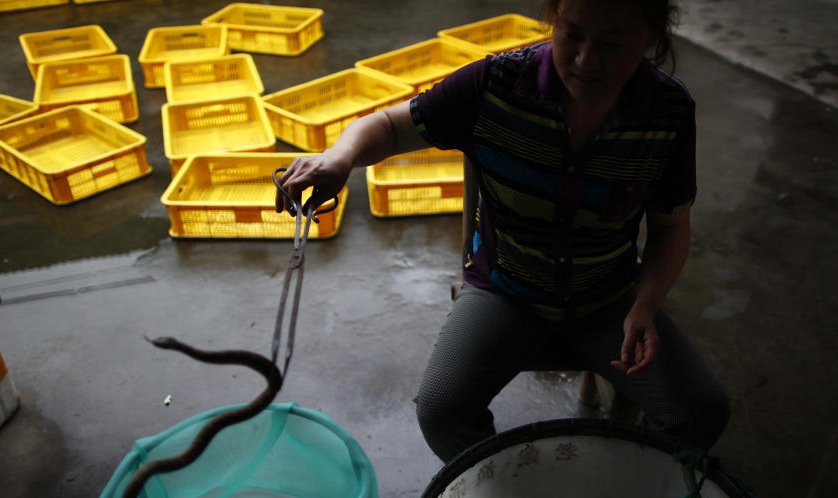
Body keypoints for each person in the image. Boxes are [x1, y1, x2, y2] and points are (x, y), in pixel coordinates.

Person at [276, 0, 729, 462]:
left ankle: (622, 489)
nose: (586, 60)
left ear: (652, 34)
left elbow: (671, 226)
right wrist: (340, 157)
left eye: (611, 43)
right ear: (552, 19)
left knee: (701, 412)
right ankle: (497, 483)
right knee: (441, 412)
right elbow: (391, 126)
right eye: (572, 34)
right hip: (507, 289)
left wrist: (645, 306)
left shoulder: (668, 113)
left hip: (609, 297)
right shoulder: (495, 85)